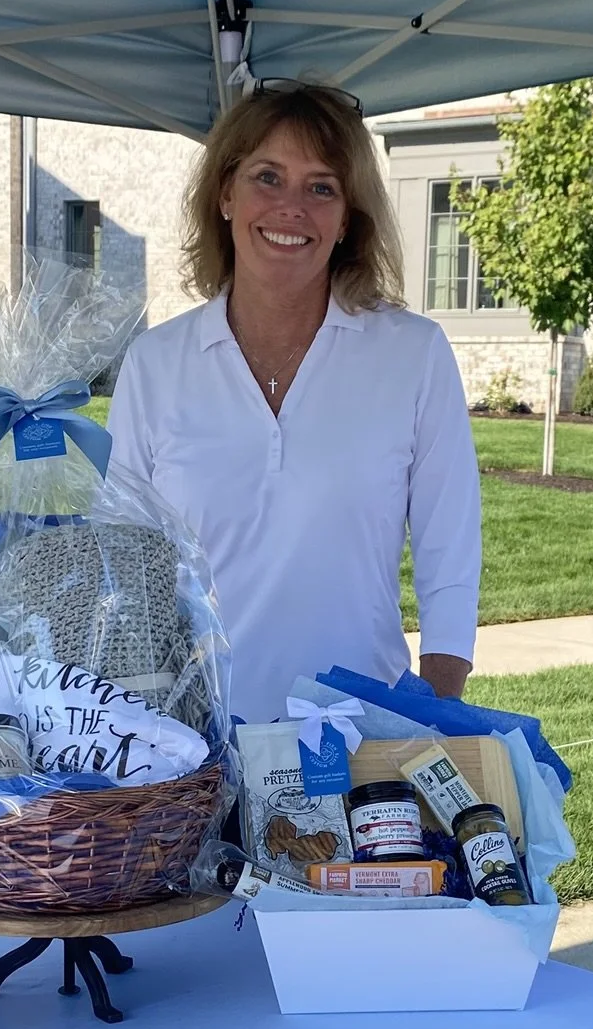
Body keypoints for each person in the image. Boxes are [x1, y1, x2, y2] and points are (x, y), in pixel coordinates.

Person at [108, 80, 480, 723]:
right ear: (225, 195)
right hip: (195, 742)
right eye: (267, 177)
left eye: (322, 187)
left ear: (347, 220)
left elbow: (450, 545)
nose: (291, 208)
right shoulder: (156, 364)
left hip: (360, 737)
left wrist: (438, 715)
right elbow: (120, 560)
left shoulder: (412, 354)